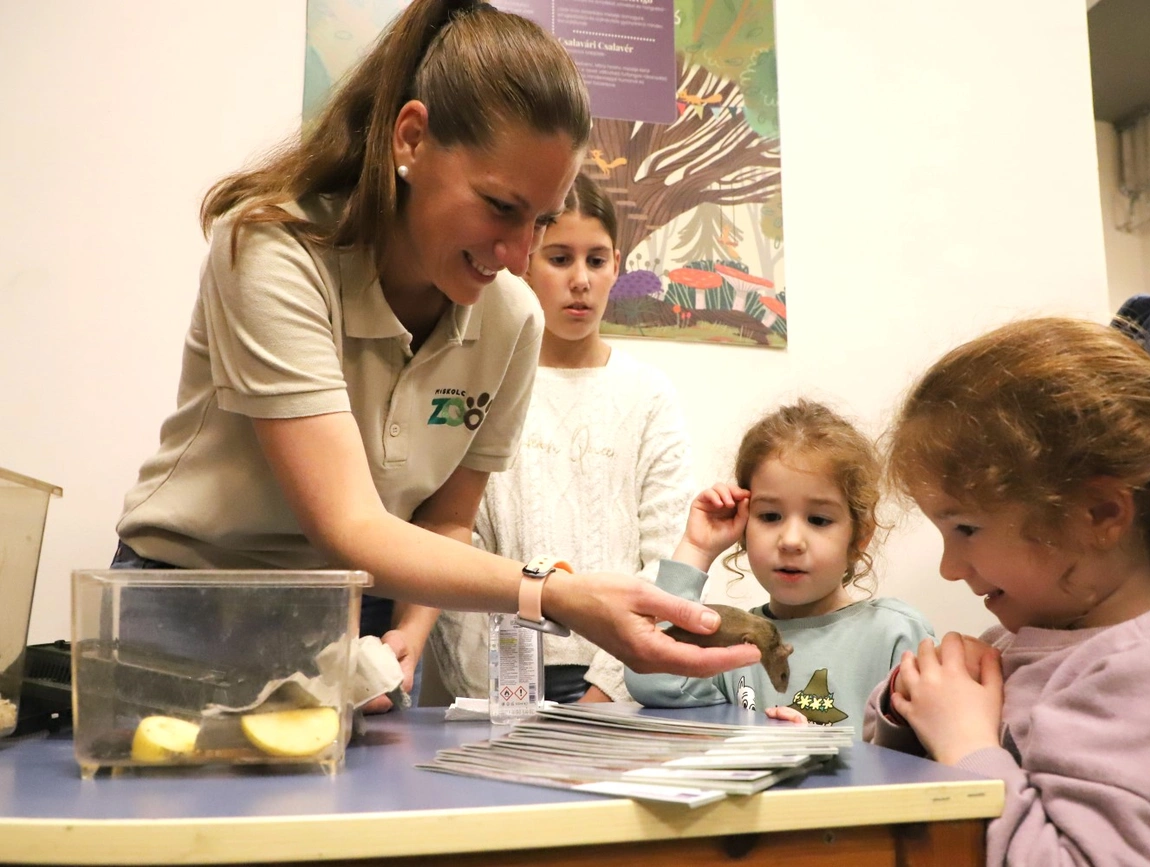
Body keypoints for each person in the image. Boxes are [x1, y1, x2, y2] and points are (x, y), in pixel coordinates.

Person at [110, 0, 758, 704]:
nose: (518, 256)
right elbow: (348, 525)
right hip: (191, 601)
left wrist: (411, 631)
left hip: (351, 613)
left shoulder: (511, 319)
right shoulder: (272, 249)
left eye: (541, 220)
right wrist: (555, 593)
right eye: (501, 206)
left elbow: (446, 519)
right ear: (412, 139)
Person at [865, 317, 1150, 866]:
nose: (950, 568)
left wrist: (965, 746)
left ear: (1099, 514)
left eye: (966, 529)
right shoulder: (1020, 645)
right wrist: (909, 706)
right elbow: (884, 781)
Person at [427, 173, 694, 704]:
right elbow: (459, 548)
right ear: (525, 262)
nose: (581, 280)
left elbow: (667, 555)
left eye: (596, 260)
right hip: (502, 687)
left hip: (621, 681)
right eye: (559, 258)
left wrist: (610, 689)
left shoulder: (647, 394)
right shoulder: (485, 383)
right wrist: (497, 696)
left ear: (617, 265)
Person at [624, 400, 934, 735]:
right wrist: (696, 548)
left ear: (859, 536)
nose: (791, 540)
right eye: (770, 516)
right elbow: (652, 679)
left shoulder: (894, 634)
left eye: (819, 520)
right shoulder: (732, 642)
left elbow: (932, 748)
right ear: (743, 528)